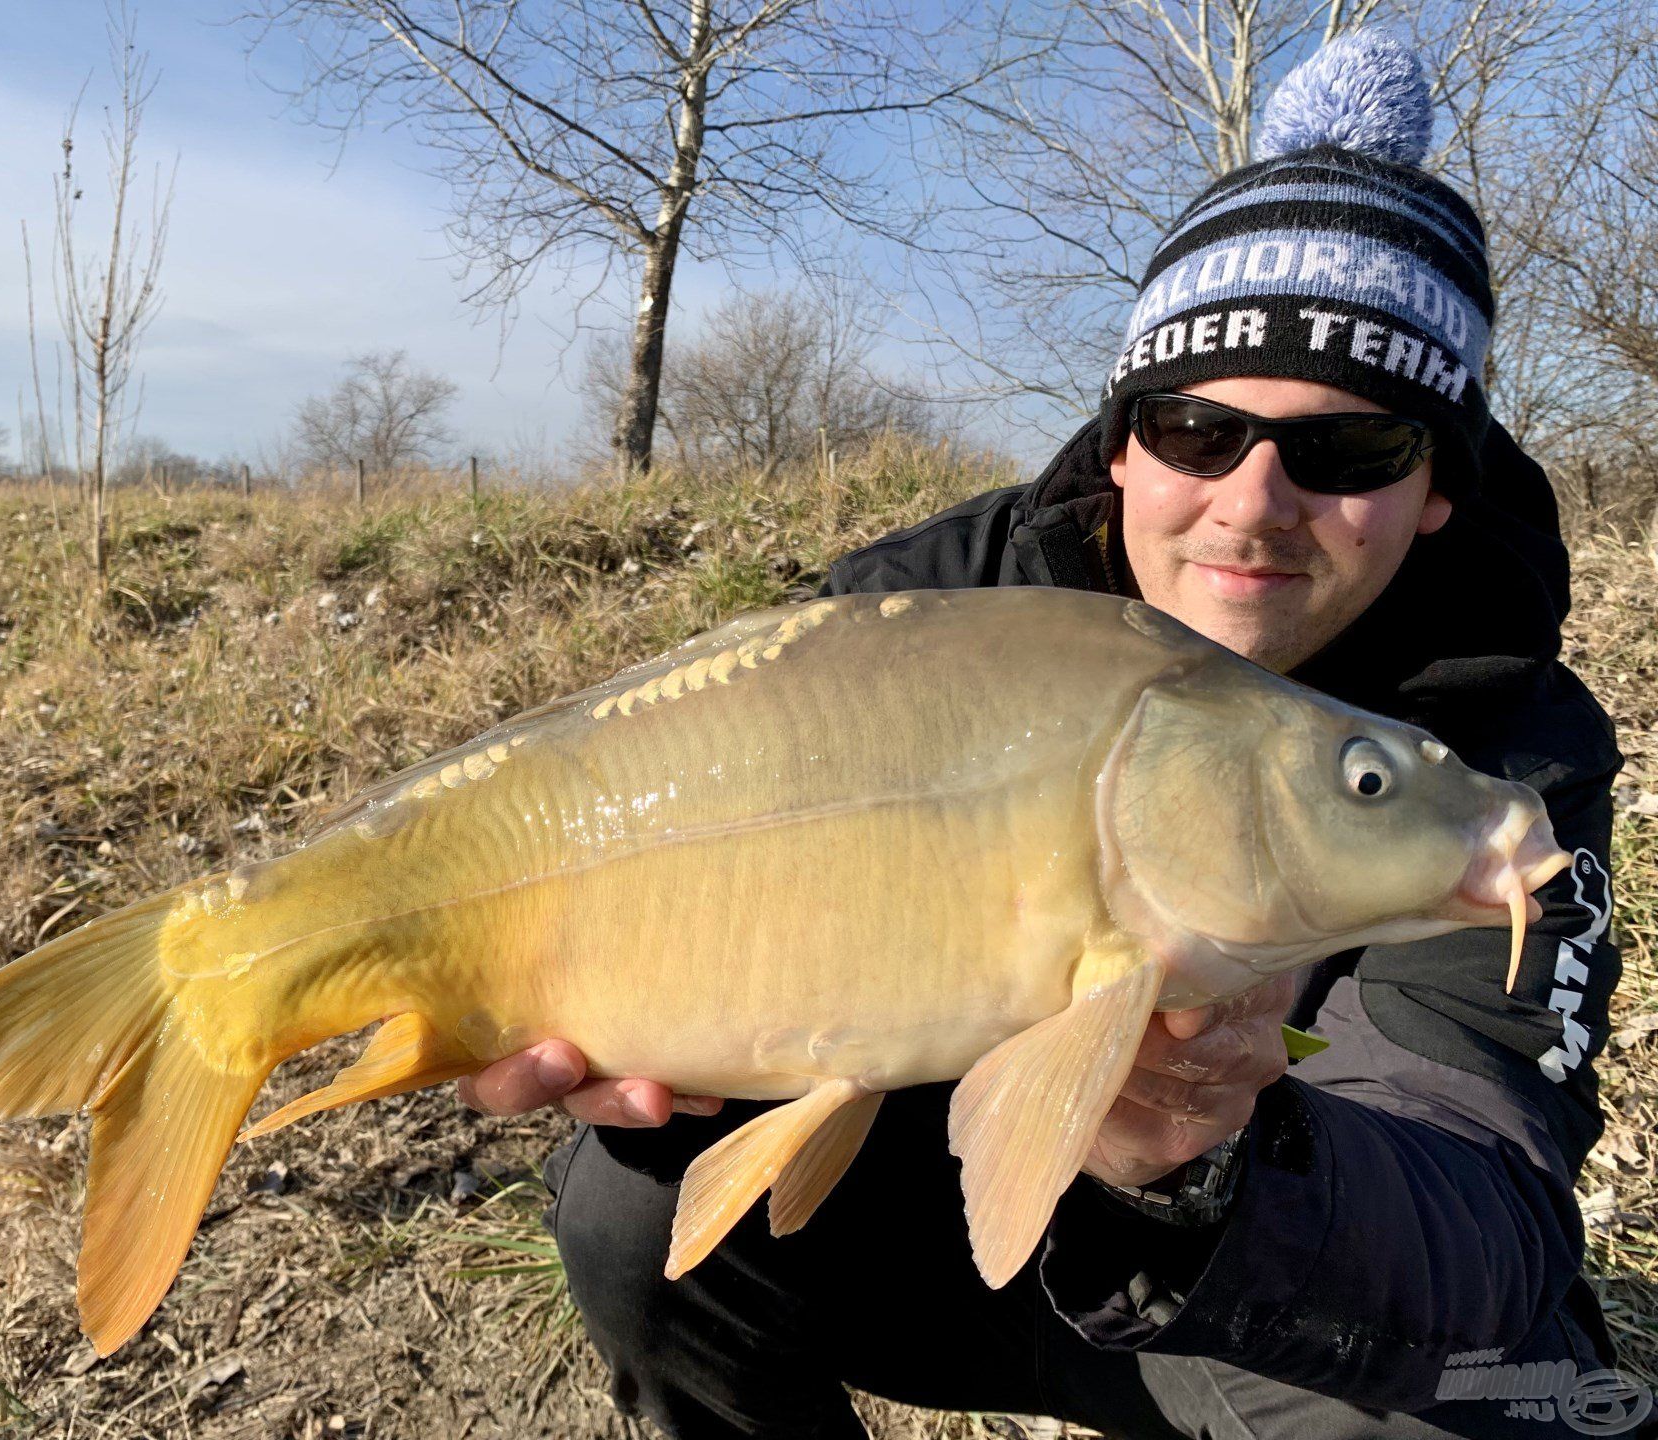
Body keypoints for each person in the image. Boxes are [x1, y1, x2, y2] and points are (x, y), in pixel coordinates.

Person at [460, 31, 1634, 1439]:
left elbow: (1485, 1207)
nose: (1253, 503)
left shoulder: (1497, 764)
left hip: (1260, 1289)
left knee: (1504, 1388)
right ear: (1125, 438)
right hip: (936, 1228)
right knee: (631, 1205)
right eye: (1197, 428)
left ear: (1438, 482)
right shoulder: (921, 615)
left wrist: (1205, 1166)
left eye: (1348, 450)